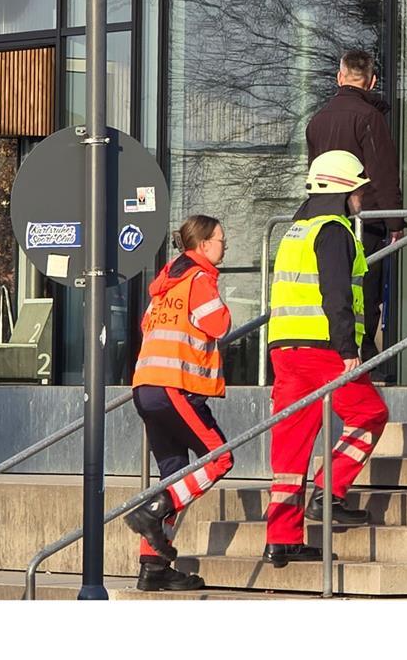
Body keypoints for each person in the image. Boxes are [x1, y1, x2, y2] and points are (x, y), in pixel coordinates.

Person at [263, 150, 390, 567]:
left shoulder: (294, 232)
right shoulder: (333, 231)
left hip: (285, 348)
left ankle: (281, 539)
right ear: (342, 190)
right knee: (369, 414)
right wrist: (349, 350)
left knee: (290, 446)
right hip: (323, 348)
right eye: (358, 190)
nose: (361, 198)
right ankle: (329, 491)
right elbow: (336, 294)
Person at [125, 215, 234, 591]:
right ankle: (153, 511)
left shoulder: (165, 284)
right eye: (221, 239)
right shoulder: (199, 279)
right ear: (203, 245)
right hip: (175, 388)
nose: (226, 245)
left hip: (146, 387)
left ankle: (153, 566)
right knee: (220, 458)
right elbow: (219, 324)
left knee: (174, 473)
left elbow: (145, 326)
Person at [306, 50, 405, 375]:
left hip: (325, 217)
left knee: (333, 286)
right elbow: (383, 172)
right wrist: (394, 222)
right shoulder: (369, 118)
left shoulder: (317, 120)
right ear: (372, 81)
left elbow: (313, 173)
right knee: (365, 290)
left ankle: (339, 353)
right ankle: (362, 356)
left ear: (339, 78)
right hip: (366, 222)